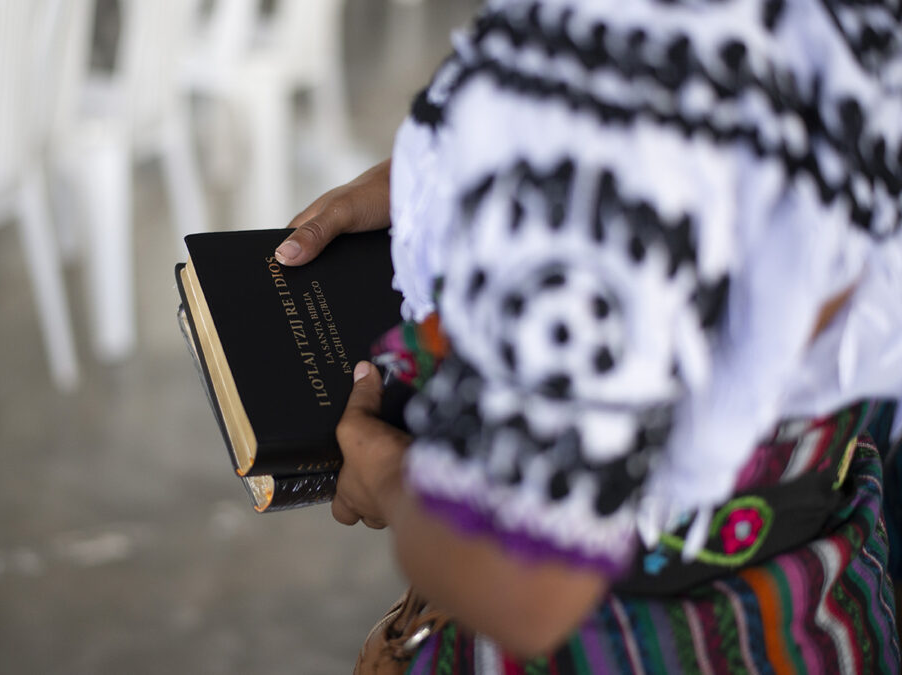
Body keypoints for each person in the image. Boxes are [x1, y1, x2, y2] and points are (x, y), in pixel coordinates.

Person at [277, 0, 902, 671]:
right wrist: (468, 173)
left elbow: (521, 580)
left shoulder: (627, 66)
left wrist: (396, 483)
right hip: (820, 613)